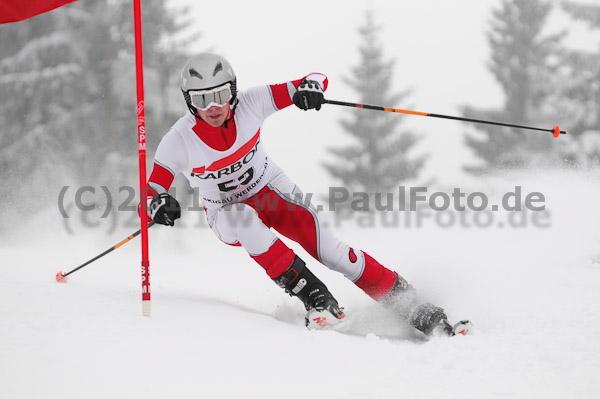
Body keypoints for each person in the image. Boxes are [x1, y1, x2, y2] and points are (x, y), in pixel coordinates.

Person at [143, 53, 469, 336]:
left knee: (334, 252)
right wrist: (157, 202)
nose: (213, 107)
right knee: (243, 217)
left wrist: (309, 90)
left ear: (234, 91)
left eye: (221, 95)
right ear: (189, 102)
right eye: (201, 100)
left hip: (272, 191)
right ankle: (317, 298)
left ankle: (419, 310)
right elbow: (151, 190)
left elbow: (314, 79)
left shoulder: (252, 102)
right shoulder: (180, 140)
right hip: (225, 212)